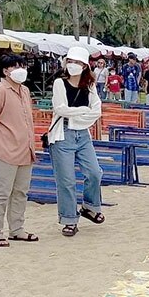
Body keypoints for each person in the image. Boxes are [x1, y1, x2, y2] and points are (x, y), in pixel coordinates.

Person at [0, 54, 37, 247]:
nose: (20, 70)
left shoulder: (25, 91)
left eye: (22, 65)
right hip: (3, 151)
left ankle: (17, 230)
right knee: (0, 193)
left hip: (25, 150)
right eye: (14, 67)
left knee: (20, 192)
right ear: (5, 71)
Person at [48, 47, 104, 237]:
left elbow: (96, 111)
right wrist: (82, 111)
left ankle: (90, 206)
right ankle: (69, 219)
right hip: (62, 133)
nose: (74, 65)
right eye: (70, 61)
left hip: (83, 134)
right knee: (66, 180)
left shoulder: (89, 85)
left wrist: (80, 114)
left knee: (95, 172)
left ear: (85, 66)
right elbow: (60, 108)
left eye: (78, 62)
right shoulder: (59, 83)